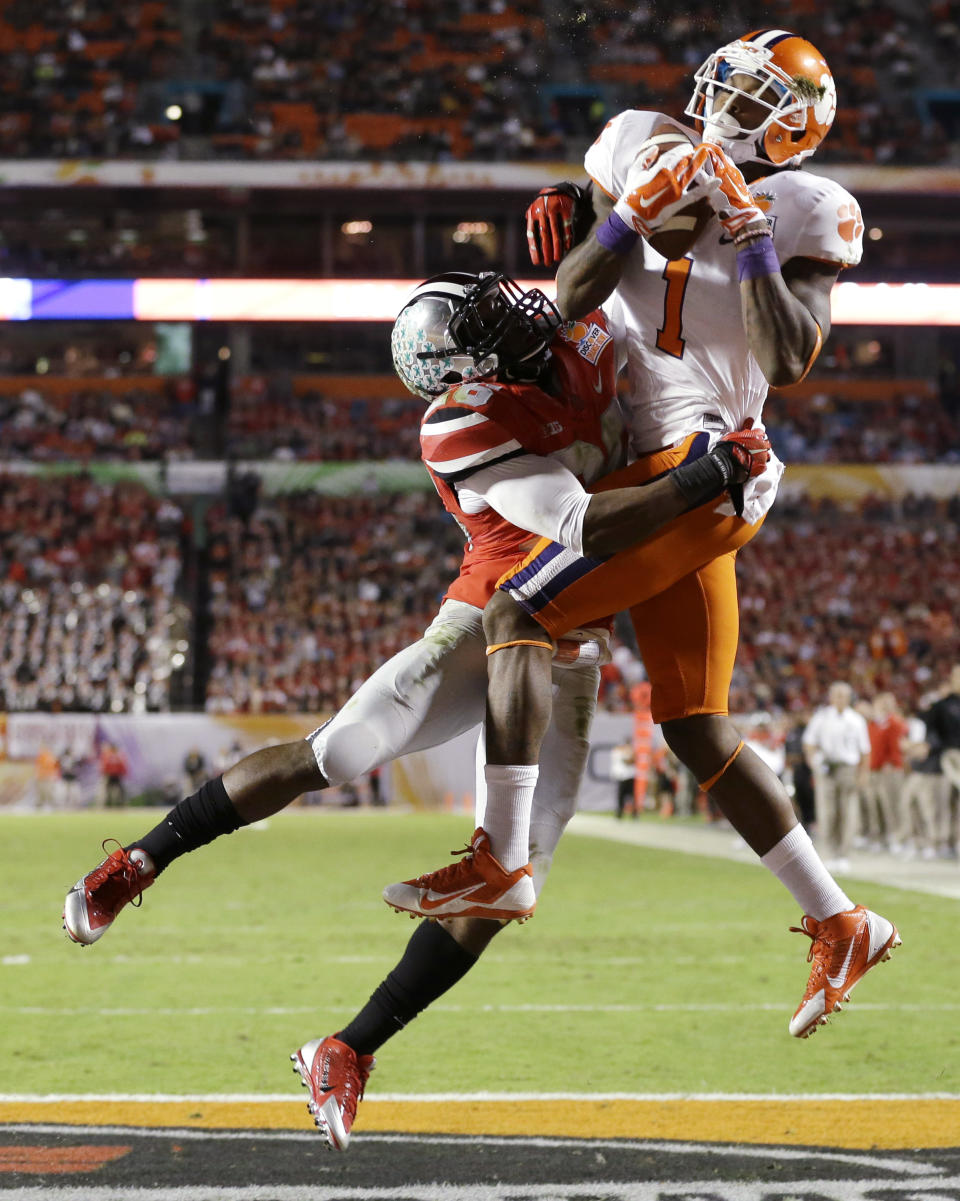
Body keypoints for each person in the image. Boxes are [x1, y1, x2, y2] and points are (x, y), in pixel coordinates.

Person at [63, 270, 759, 1151]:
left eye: (495, 300)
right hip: (489, 616)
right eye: (488, 320)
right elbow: (591, 526)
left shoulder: (576, 342)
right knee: (343, 750)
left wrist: (592, 214)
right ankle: (139, 860)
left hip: (571, 637)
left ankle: (346, 1047)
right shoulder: (461, 424)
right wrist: (711, 478)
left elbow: (618, 283)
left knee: (514, 891)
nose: (518, 312)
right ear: (469, 372)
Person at [389, 29, 899, 1042]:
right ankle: (844, 920)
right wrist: (609, 212)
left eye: (753, 96)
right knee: (696, 724)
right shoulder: (633, 140)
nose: (723, 100)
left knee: (520, 606)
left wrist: (748, 233)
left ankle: (500, 859)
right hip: (643, 460)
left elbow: (791, 359)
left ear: (796, 126)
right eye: (725, 82)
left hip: (708, 462)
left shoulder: (810, 209)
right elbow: (572, 289)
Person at [802, 682, 871, 871]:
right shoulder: (822, 717)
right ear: (831, 697)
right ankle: (832, 852)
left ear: (849, 698)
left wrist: (863, 773)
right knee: (827, 811)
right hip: (826, 767)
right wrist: (813, 761)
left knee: (848, 810)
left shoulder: (857, 720)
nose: (840, 699)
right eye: (837, 695)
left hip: (848, 768)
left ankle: (844, 854)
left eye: (843, 695)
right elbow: (809, 742)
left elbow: (865, 750)